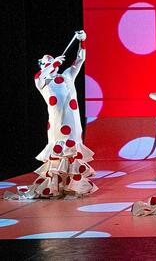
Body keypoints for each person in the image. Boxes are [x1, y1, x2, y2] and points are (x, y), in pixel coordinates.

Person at [5, 30, 98, 200]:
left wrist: (82, 41)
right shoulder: (42, 82)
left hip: (73, 122)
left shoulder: (68, 75)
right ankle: (55, 187)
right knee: (58, 151)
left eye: (52, 61)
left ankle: (73, 187)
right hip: (57, 123)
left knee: (72, 151)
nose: (50, 64)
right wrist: (53, 64)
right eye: (46, 63)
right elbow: (42, 74)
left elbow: (80, 59)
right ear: (43, 66)